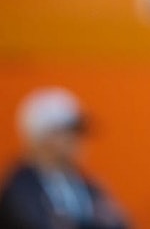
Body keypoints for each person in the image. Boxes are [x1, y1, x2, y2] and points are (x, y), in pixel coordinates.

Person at [0, 87, 129, 229]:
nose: (79, 140)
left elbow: (119, 223)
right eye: (70, 132)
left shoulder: (86, 184)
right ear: (43, 137)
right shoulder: (20, 189)